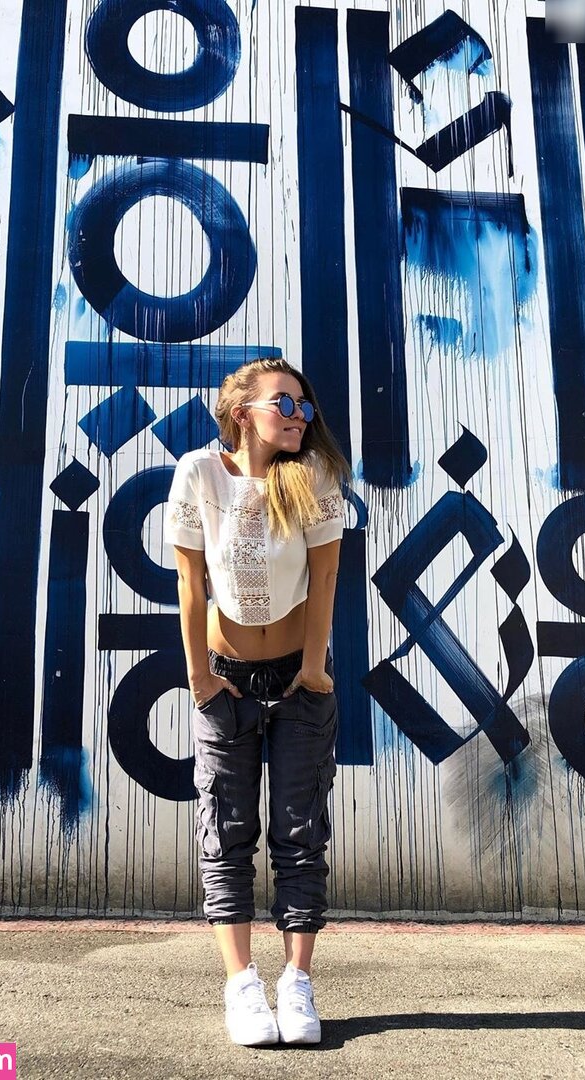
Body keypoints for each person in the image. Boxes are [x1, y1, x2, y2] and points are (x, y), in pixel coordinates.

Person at [164, 357, 350, 1047]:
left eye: (305, 406)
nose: (300, 416)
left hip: (300, 681)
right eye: (285, 403)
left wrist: (314, 669)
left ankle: (297, 983)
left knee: (301, 833)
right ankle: (242, 985)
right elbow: (190, 586)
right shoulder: (199, 473)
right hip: (226, 679)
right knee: (226, 830)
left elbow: (326, 580)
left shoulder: (315, 476)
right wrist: (200, 680)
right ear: (242, 412)